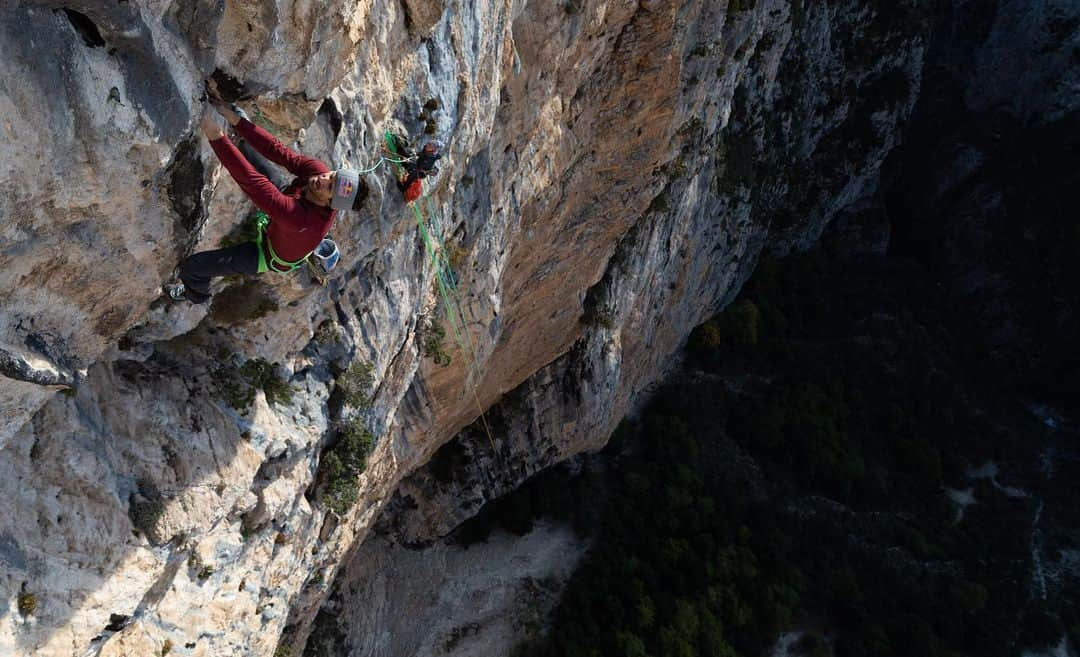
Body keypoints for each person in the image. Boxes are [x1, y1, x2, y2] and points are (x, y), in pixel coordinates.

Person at [168, 93, 368, 304]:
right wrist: (236, 120)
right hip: (291, 203)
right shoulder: (319, 175)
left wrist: (215, 134)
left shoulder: (301, 220)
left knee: (192, 268)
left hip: (266, 254)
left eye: (330, 187)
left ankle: (194, 294)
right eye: (332, 176)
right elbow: (279, 151)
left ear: (330, 203)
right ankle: (240, 129)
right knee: (245, 145)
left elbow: (252, 183)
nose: (323, 179)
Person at [393, 136, 441, 203]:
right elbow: (419, 155)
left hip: (419, 173)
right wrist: (411, 156)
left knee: (413, 171)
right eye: (429, 143)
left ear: (433, 149)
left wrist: (410, 161)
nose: (428, 145)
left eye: (430, 145)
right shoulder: (426, 150)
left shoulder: (430, 158)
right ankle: (398, 146)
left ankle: (403, 188)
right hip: (416, 165)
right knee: (406, 156)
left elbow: (419, 167)